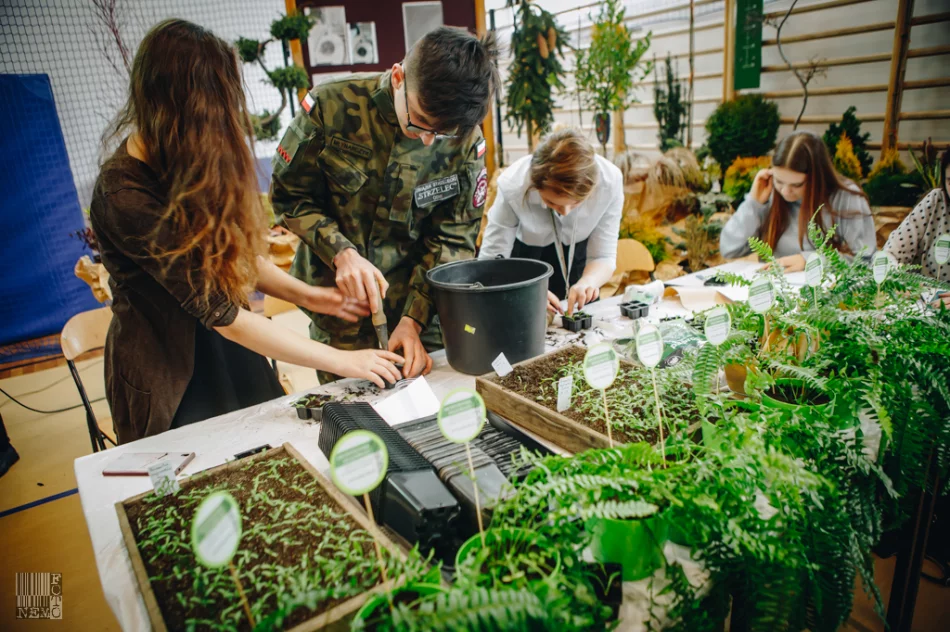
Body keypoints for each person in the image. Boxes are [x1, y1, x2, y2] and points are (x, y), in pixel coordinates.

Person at [90, 20, 403, 444]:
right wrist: (345, 361)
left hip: (230, 345)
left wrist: (311, 296)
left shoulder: (183, 158)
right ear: (172, 105)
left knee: (273, 450)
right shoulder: (124, 192)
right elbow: (223, 314)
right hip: (169, 364)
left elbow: (229, 254)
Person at [271, 28, 499, 384]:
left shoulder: (465, 136)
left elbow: (453, 239)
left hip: (423, 306)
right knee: (351, 418)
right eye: (420, 123)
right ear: (398, 77)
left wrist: (414, 320)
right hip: (343, 306)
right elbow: (289, 196)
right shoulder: (331, 107)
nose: (428, 139)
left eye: (442, 133)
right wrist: (340, 252)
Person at [478, 129, 623, 315]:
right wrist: (525, 289)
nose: (566, 212)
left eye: (577, 202)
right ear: (535, 185)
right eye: (552, 202)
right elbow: (491, 261)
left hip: (580, 254)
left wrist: (588, 282)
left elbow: (603, 256)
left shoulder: (610, 182)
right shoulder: (513, 185)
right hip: (525, 259)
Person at [720, 131, 875, 270]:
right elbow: (730, 249)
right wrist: (754, 204)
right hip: (775, 290)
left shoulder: (846, 197)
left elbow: (865, 260)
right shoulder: (770, 192)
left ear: (818, 178)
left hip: (827, 296)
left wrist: (810, 261)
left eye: (797, 185)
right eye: (779, 181)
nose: (786, 192)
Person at [884, 149, 950, 307]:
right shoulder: (936, 202)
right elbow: (889, 253)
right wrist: (900, 282)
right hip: (921, 309)